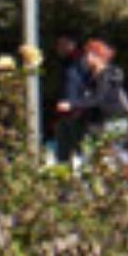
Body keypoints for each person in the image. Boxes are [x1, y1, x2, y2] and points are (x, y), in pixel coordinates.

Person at [56, 39, 128, 144]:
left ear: (98, 57)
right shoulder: (92, 75)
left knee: (116, 151)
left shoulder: (106, 75)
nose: (85, 58)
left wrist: (72, 104)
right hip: (100, 121)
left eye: (88, 54)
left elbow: (98, 99)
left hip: (115, 121)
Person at [53, 33, 91, 163]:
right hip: (63, 114)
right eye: (58, 45)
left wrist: (80, 106)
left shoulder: (81, 62)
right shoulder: (64, 63)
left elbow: (88, 86)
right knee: (62, 154)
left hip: (78, 114)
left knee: (83, 152)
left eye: (62, 44)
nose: (59, 48)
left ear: (71, 44)